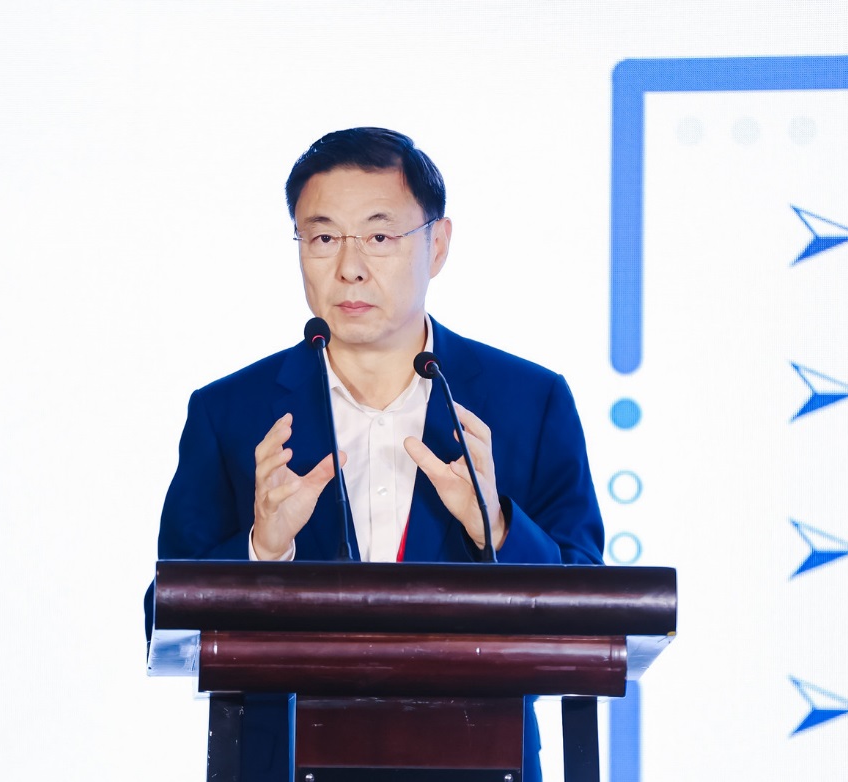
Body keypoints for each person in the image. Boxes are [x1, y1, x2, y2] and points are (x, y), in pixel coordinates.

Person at [145, 127, 604, 780]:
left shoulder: (527, 402)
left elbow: (592, 617)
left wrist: (497, 528)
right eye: (323, 238)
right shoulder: (232, 412)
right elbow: (163, 623)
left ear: (436, 245)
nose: (349, 267)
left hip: (481, 764)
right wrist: (261, 550)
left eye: (380, 237)